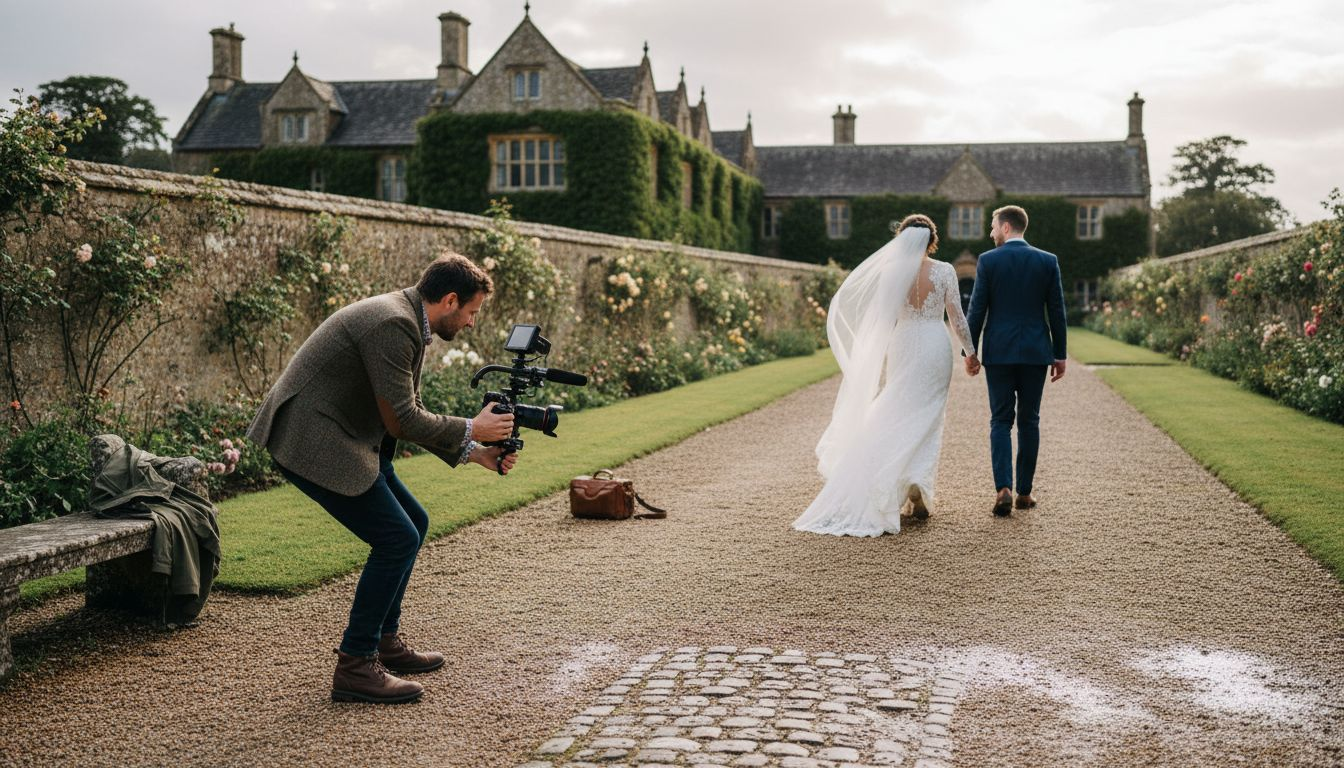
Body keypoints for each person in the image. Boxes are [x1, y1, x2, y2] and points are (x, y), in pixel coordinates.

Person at [247, 252, 518, 704]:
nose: (472, 323)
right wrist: (473, 428)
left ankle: (384, 641)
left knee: (415, 523)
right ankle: (356, 664)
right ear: (450, 300)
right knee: (396, 537)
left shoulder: (406, 318)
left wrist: (476, 454)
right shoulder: (394, 324)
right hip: (313, 439)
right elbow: (406, 420)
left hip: (348, 434)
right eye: (472, 312)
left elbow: (397, 416)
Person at [793, 214, 975, 537]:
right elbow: (957, 318)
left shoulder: (892, 273)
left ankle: (899, 479)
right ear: (932, 240)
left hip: (902, 343)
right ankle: (917, 480)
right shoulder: (946, 271)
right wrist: (971, 353)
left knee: (898, 408)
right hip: (935, 344)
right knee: (929, 415)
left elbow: (880, 322)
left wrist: (871, 359)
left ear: (901, 239)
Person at [964, 204, 1067, 517]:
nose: (991, 232)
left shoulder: (988, 260)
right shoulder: (1048, 261)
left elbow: (977, 310)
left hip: (999, 352)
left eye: (994, 226)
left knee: (1000, 420)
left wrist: (970, 352)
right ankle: (1024, 493)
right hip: (1036, 352)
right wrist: (1059, 354)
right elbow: (1057, 311)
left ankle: (1003, 489)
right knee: (1029, 420)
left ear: (1006, 227)